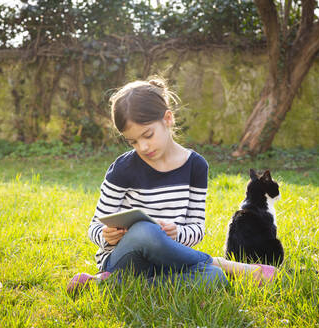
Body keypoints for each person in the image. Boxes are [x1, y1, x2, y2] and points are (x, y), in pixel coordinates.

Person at [67, 77, 276, 294]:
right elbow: (94, 227)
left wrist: (177, 233)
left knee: (214, 279)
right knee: (146, 231)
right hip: (126, 259)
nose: (143, 146)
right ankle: (224, 264)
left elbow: (196, 229)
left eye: (148, 135)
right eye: (133, 142)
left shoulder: (196, 166)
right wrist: (105, 234)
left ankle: (108, 285)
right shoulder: (123, 168)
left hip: (171, 262)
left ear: (167, 119)